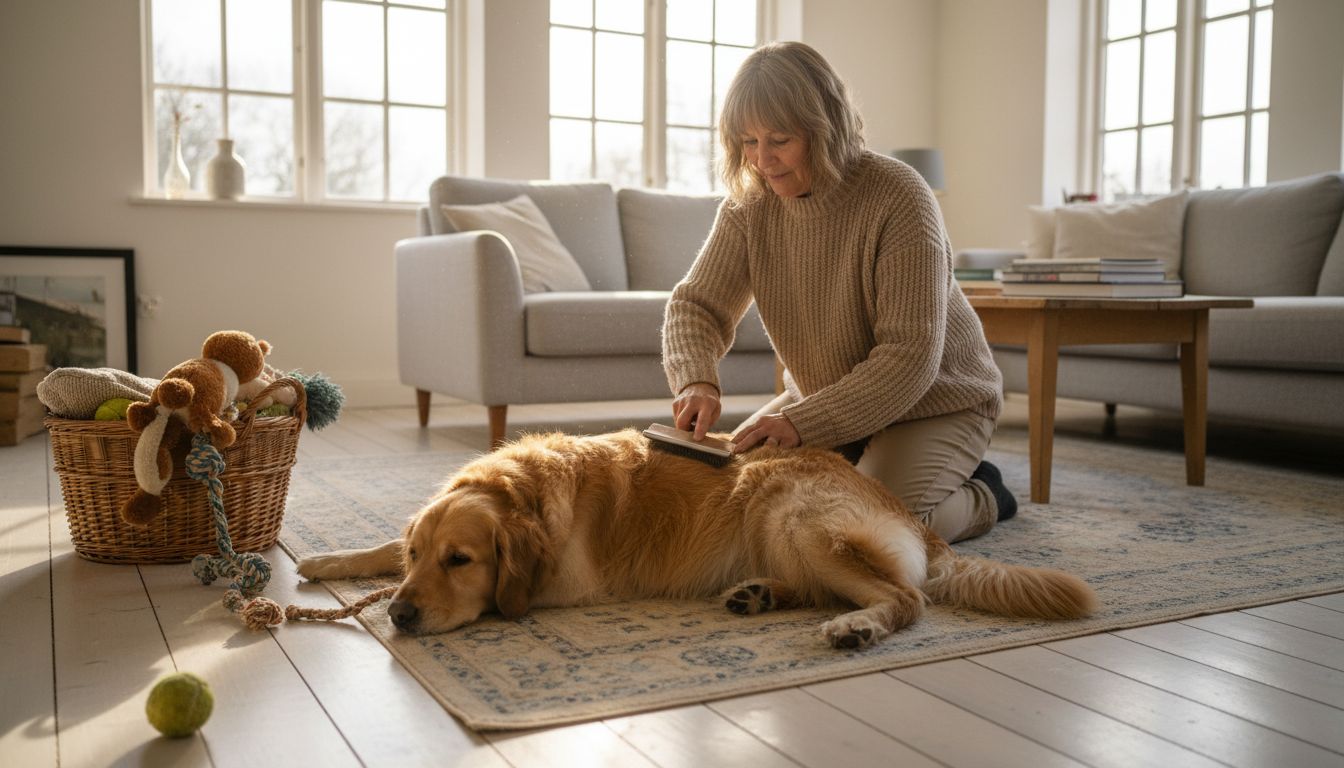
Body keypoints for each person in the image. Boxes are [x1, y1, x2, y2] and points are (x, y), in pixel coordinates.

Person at [660, 41, 1015, 543]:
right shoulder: (748, 206)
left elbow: (909, 357)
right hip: (826, 403)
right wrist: (696, 381)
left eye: (778, 139)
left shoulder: (899, 195)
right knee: (737, 497)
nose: (762, 160)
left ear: (824, 127)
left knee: (866, 532)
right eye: (748, 142)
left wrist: (802, 422)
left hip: (936, 401)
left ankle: (984, 496)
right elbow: (696, 306)